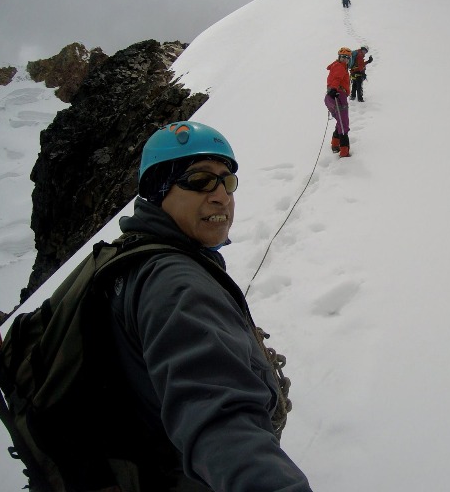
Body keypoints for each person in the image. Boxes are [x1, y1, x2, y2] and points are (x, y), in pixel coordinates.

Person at [109, 121, 313, 491]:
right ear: (157, 191)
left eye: (227, 181)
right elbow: (219, 417)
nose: (222, 195)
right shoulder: (176, 285)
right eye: (200, 180)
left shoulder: (135, 259)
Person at [326, 47, 352, 157]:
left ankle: (335, 144)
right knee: (343, 123)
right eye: (343, 57)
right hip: (337, 96)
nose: (345, 59)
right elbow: (336, 79)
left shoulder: (339, 66)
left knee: (340, 121)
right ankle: (344, 151)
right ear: (339, 57)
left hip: (333, 96)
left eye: (347, 58)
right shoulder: (340, 67)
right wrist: (333, 89)